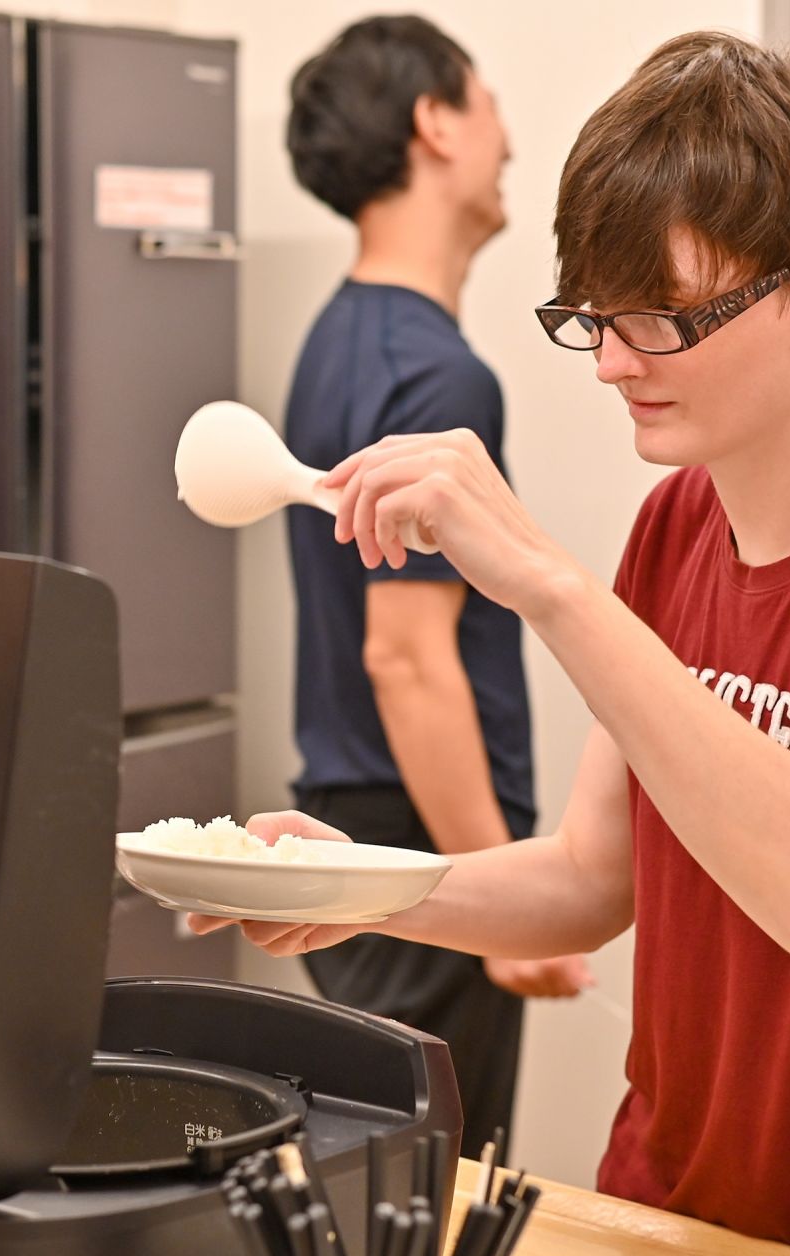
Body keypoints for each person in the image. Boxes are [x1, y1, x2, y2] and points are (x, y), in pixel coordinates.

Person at [201, 31, 790, 1256]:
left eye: (660, 317)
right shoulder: (676, 527)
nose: (613, 361)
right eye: (594, 317)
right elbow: (588, 875)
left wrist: (552, 587)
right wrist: (369, 886)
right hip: (674, 1229)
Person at [280, 16, 588, 1158]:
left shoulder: (337, 341)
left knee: (375, 1198)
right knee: (424, 1214)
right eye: (487, 102)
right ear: (434, 123)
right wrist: (501, 906)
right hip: (419, 855)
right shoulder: (435, 373)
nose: (505, 138)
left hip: (360, 837)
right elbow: (403, 657)